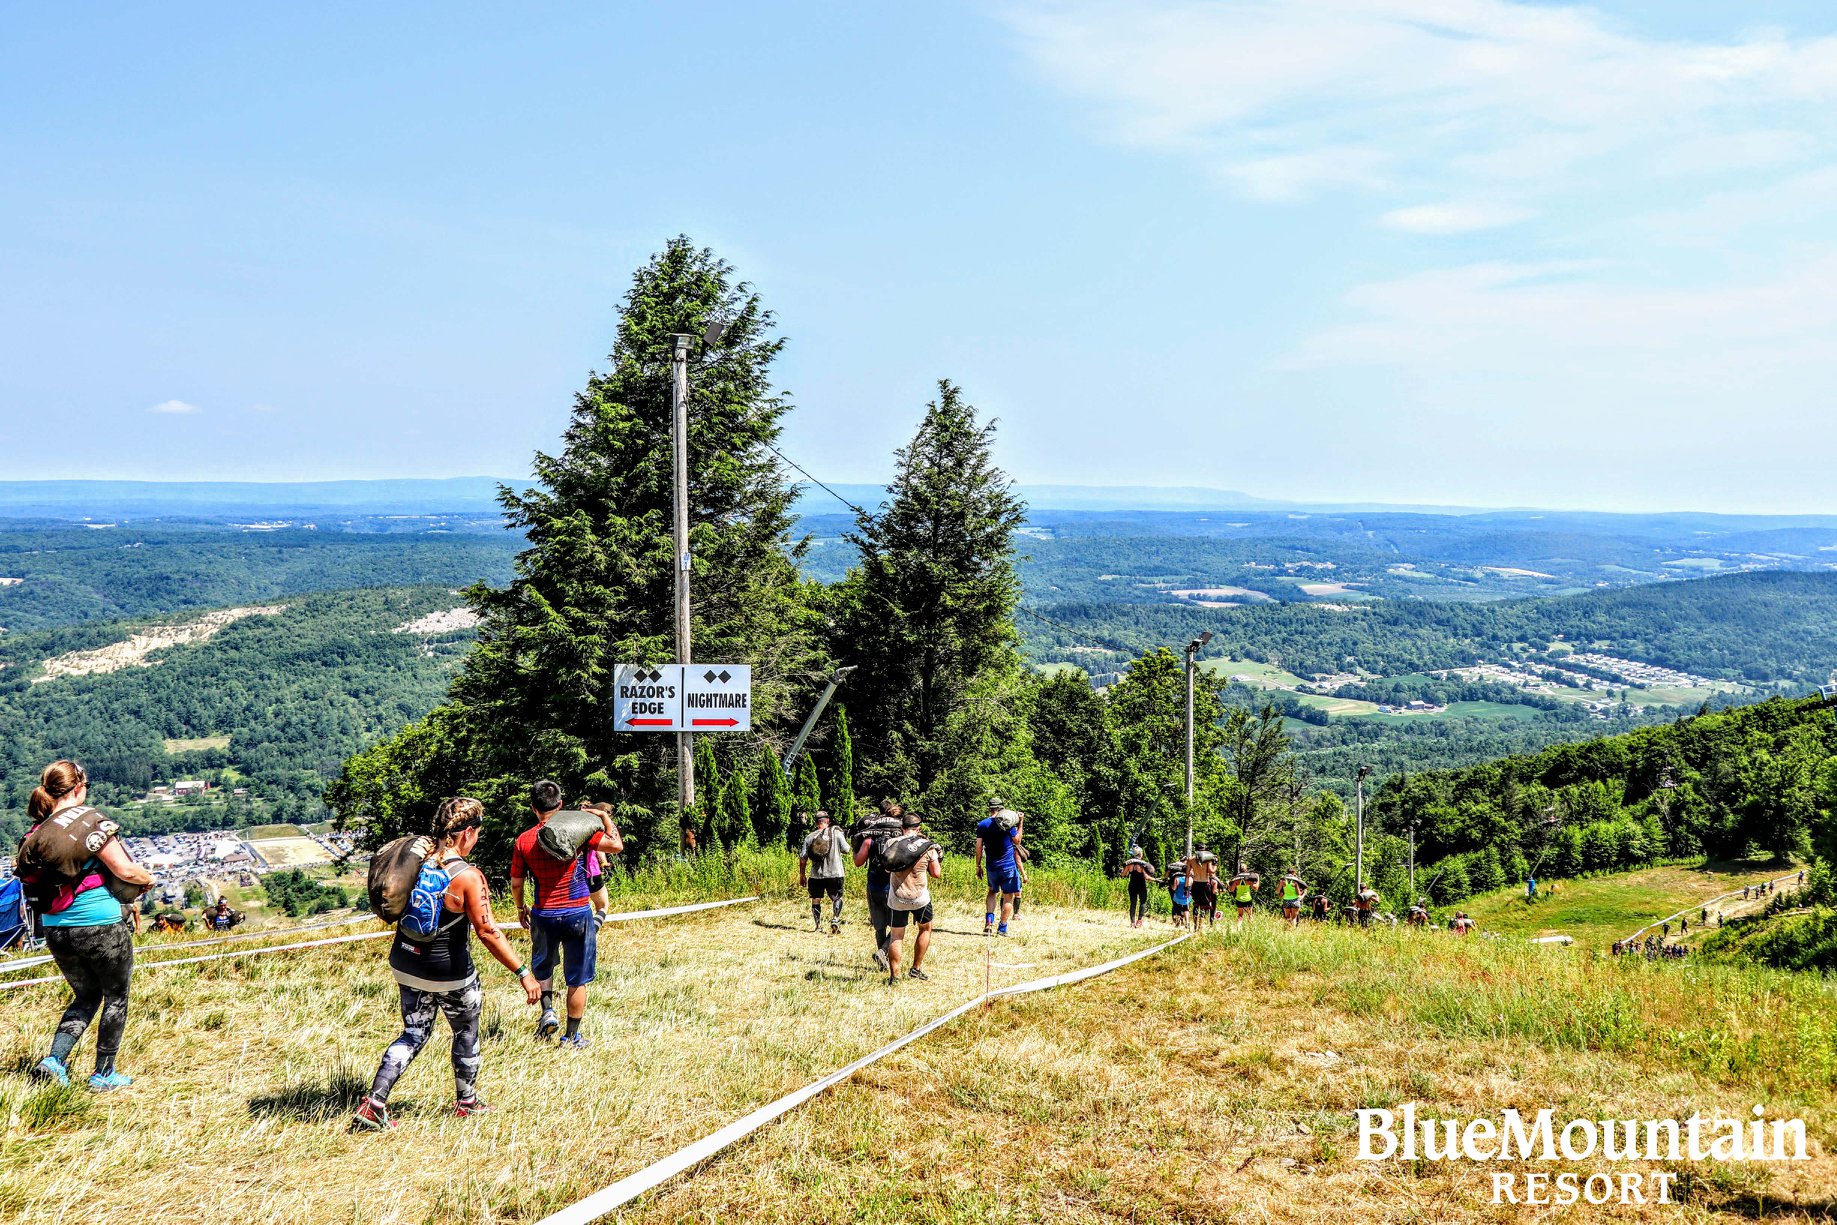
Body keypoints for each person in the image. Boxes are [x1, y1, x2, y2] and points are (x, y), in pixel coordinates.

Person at [353, 797, 541, 1130]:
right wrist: (523, 972)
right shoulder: (468, 876)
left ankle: (374, 1104)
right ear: (468, 832)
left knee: (413, 1033)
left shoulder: (415, 862)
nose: (478, 838)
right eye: (478, 832)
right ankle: (467, 1103)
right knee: (466, 1032)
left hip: (406, 963)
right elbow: (488, 931)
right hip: (449, 972)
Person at [23, 761, 152, 1092]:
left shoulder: (37, 832)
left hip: (55, 928)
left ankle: (54, 1061)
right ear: (78, 788)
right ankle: (104, 1073)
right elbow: (124, 869)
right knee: (116, 997)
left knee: (86, 994)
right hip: (99, 924)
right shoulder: (90, 822)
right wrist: (147, 879)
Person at [510, 780, 623, 1047]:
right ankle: (571, 1037)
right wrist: (605, 817)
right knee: (577, 978)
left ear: (532, 808)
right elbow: (615, 845)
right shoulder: (578, 832)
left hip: (543, 913)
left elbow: (517, 882)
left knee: (544, 965)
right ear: (560, 805)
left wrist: (520, 908)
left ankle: (547, 1011)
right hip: (577, 911)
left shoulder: (523, 840)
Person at [884, 811, 942, 983]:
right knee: (925, 929)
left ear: (902, 828)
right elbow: (936, 874)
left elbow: (887, 868)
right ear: (919, 828)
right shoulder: (928, 846)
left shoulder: (892, 843)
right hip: (920, 898)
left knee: (896, 936)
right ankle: (916, 969)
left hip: (897, 897)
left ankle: (894, 976)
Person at [855, 800, 903, 969]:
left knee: (879, 927)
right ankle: (883, 952)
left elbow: (858, 862)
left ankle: (882, 961)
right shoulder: (900, 835)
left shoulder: (870, 836)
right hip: (894, 886)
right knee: (898, 926)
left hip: (874, 884)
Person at [975, 797, 1024, 937]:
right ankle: (1002, 928)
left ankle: (989, 924)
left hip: (991, 866)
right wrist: (1021, 822)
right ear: (1001, 808)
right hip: (1008, 866)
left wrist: (978, 866)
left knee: (992, 892)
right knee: (1008, 897)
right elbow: (1018, 841)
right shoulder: (1008, 823)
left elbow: (979, 847)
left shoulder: (982, 825)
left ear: (989, 808)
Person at [798, 810, 849, 934]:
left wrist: (802, 874)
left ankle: (818, 926)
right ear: (828, 821)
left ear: (816, 823)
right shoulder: (836, 833)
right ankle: (835, 919)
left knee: (816, 899)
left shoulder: (810, 837)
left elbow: (803, 858)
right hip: (835, 873)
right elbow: (846, 849)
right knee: (837, 898)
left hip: (816, 875)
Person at [1122, 846, 1158, 927]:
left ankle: (1132, 923)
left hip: (1132, 885)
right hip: (1141, 885)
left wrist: (1121, 871)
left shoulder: (1129, 864)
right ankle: (1139, 920)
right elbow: (1146, 877)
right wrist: (1156, 880)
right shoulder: (1142, 864)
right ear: (1140, 854)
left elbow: (1123, 874)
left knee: (1133, 903)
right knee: (1143, 902)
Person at [1186, 849, 1220, 928]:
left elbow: (1187, 874)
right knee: (1204, 906)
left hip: (1195, 883)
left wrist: (1186, 886)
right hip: (1204, 884)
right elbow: (1211, 871)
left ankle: (1195, 926)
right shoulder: (1207, 859)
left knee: (1196, 904)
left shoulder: (1190, 859)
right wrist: (1215, 865)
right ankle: (1201, 926)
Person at [1167, 863, 1191, 929]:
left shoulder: (1177, 878)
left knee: (1177, 908)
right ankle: (1187, 922)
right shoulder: (1190, 878)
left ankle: (1178, 923)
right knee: (1186, 908)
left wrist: (1171, 886)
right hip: (1186, 896)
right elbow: (1191, 888)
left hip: (1178, 896)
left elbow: (1174, 888)